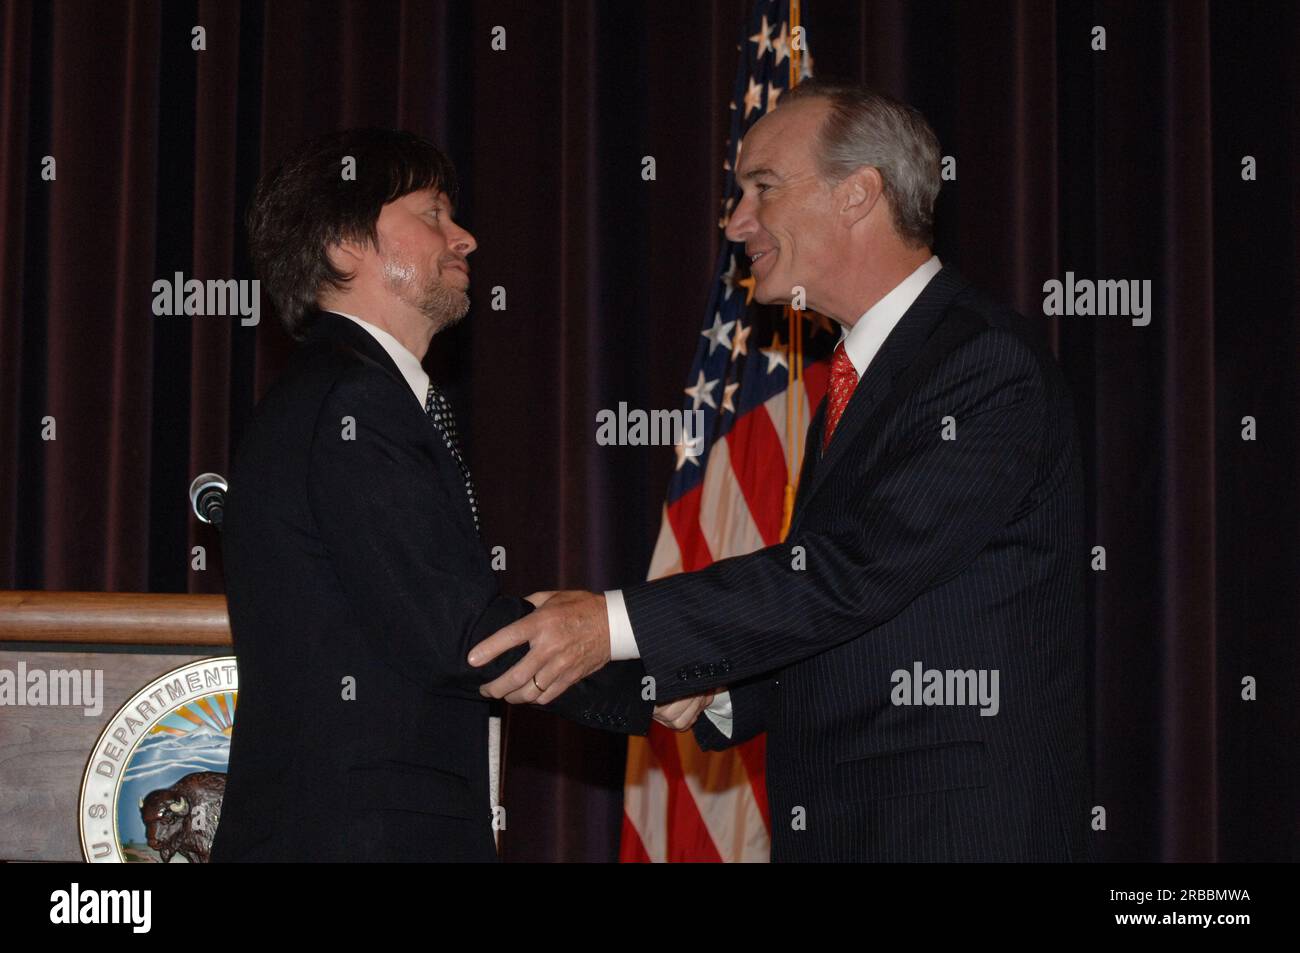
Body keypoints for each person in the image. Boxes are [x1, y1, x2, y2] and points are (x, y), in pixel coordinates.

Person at [470, 83, 1091, 862]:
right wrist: (727, 690)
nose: (735, 221)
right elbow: (870, 615)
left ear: (860, 192)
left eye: (762, 187)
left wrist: (611, 623)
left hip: (952, 830)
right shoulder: (863, 374)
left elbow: (852, 573)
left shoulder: (981, 365)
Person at [211, 129, 649, 863]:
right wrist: (661, 671)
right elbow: (464, 630)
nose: (465, 238)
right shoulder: (354, 401)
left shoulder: (346, 394)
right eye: (435, 213)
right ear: (346, 245)